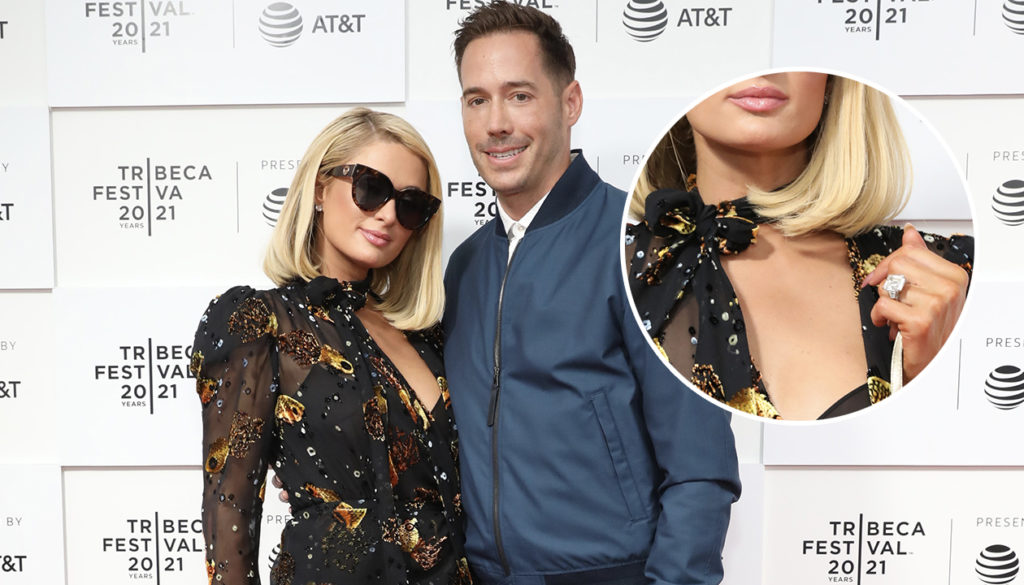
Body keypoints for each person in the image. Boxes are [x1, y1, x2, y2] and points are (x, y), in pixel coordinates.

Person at [443, 4, 741, 585]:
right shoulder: (464, 267)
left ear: (570, 103)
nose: (496, 123)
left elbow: (700, 468)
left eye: (519, 95)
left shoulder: (646, 250)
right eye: (477, 100)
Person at [191, 108, 473, 585]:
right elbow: (229, 509)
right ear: (320, 189)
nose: (388, 215)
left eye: (410, 205)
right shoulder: (258, 322)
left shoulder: (427, 336)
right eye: (371, 188)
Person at [626, 72, 974, 420]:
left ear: (831, 82)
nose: (762, 71)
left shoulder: (946, 281)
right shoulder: (609, 270)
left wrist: (930, 374)